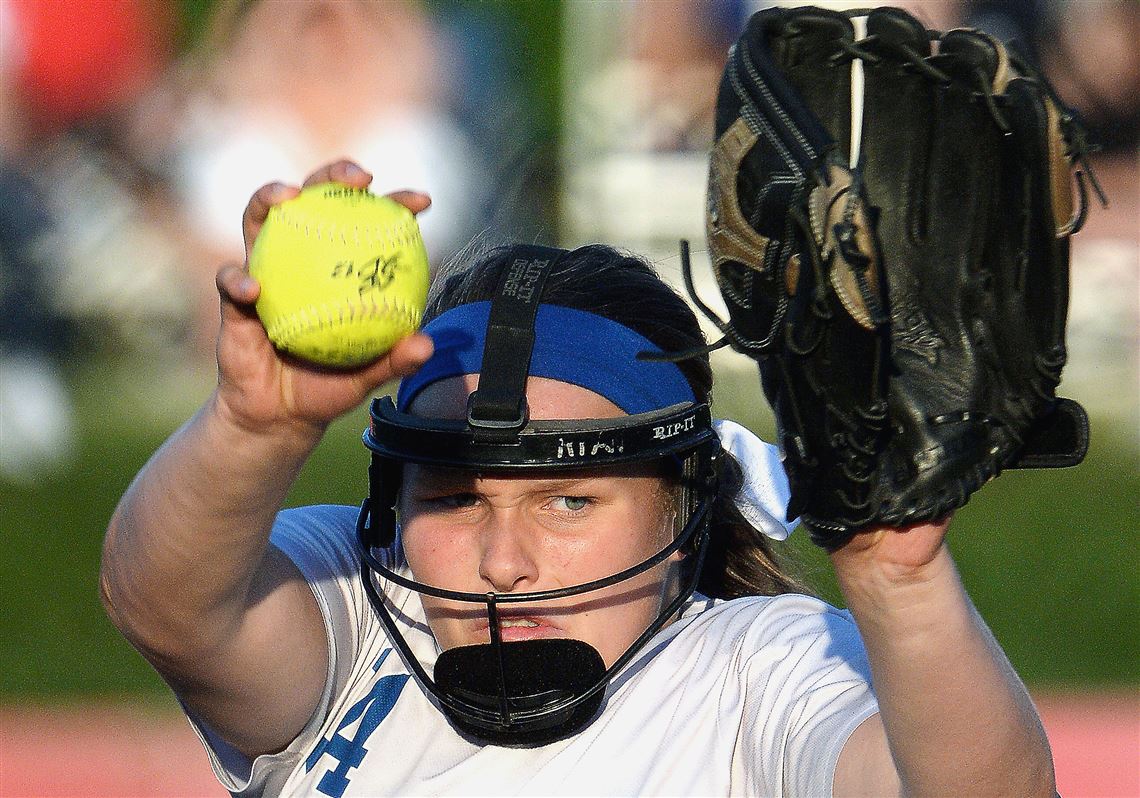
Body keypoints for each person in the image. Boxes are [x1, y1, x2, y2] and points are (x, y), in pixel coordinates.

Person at [101, 160, 1057, 797]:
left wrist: (899, 575)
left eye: (569, 500)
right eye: (453, 497)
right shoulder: (354, 612)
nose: (503, 563)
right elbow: (165, 601)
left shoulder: (761, 668)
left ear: (684, 503)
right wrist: (250, 429)